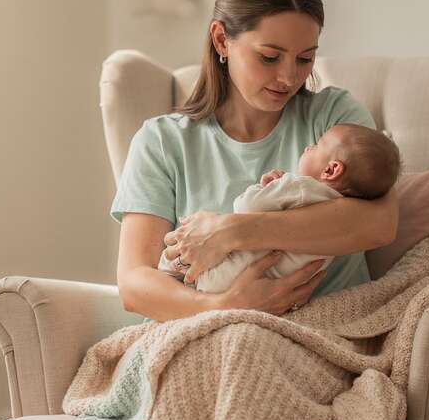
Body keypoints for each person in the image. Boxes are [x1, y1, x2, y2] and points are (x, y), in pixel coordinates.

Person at [110, 0, 398, 420]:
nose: (289, 76)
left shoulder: (332, 118)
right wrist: (229, 307)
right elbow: (135, 282)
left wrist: (236, 230)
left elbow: (377, 223)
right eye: (270, 56)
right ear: (221, 39)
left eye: (305, 58)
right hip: (211, 336)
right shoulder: (164, 141)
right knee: (218, 367)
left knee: (236, 362)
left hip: (323, 335)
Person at [156, 123, 402, 294]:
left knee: (179, 247)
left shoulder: (301, 187)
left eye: (317, 145)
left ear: (331, 170)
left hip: (229, 275)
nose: (308, 147)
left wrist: (263, 187)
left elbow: (246, 206)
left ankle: (175, 269)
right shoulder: (338, 213)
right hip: (266, 283)